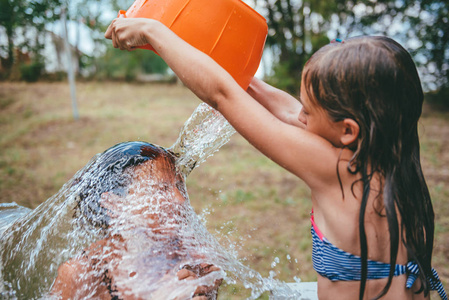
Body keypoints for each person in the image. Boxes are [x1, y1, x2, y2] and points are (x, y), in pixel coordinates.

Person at [104, 18, 448, 300]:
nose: (299, 118)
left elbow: (224, 95)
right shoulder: (396, 167)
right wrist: (186, 41)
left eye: (309, 112)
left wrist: (153, 31)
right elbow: (277, 104)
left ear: (348, 131)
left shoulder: (339, 173)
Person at [50, 142, 223, 300]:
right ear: (113, 204)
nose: (180, 199)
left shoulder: (187, 255)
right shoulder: (81, 274)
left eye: (178, 186)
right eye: (160, 189)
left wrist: (208, 290)